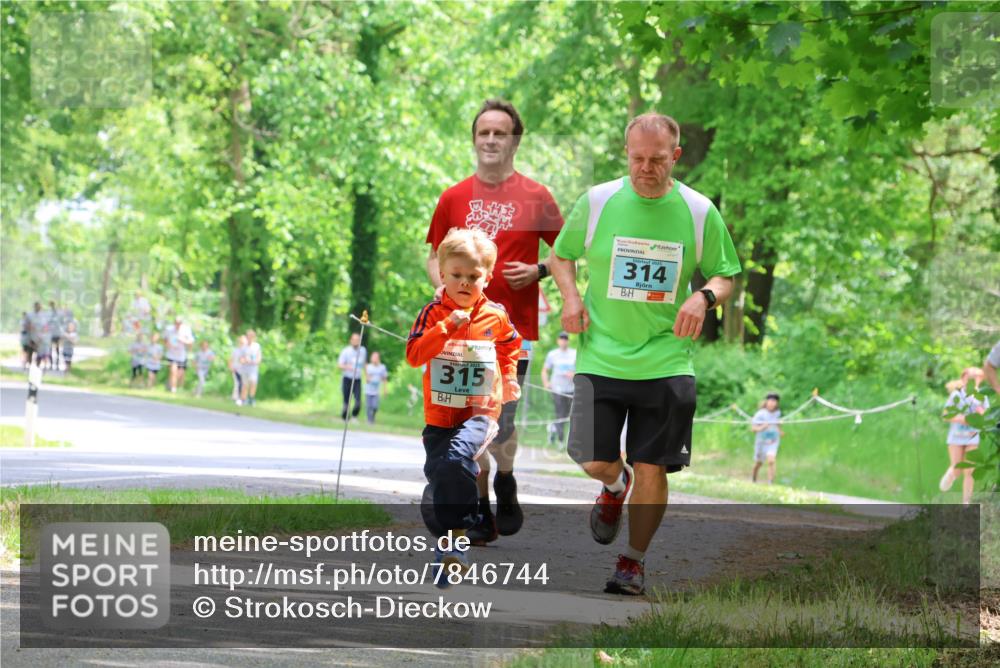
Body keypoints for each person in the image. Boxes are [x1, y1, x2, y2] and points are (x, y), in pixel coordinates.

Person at [550, 113, 741, 595]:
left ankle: (632, 561)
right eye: (637, 158)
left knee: (654, 465)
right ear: (626, 153)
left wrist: (704, 297)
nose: (646, 168)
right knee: (591, 458)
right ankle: (615, 487)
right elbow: (560, 255)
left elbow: (725, 276)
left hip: (667, 360)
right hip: (601, 356)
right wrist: (571, 298)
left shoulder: (699, 211)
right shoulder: (597, 202)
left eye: (657, 160)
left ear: (675, 156)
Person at [424, 98, 565, 544]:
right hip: (459, 333)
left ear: (514, 140)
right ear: (474, 139)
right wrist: (441, 289)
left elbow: (566, 254)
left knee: (499, 425)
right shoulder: (453, 197)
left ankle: (506, 476)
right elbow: (434, 257)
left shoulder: (536, 196)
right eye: (483, 132)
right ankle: (478, 509)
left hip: (512, 333)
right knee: (466, 421)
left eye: (499, 133)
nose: (490, 140)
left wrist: (539, 270)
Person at [406, 227, 522, 585]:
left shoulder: (495, 316)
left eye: (474, 276)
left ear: (487, 277)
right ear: (443, 275)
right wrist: (445, 327)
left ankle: (459, 536)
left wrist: (510, 377)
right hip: (440, 413)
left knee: (458, 460)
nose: (465, 283)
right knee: (440, 473)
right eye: (456, 275)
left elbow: (510, 345)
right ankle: (449, 545)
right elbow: (414, 356)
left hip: (481, 411)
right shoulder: (431, 313)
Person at [940, 367, 990, 505]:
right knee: (957, 469)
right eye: (971, 377)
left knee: (969, 471)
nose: (973, 380)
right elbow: (945, 415)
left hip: (972, 437)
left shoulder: (982, 397)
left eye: (977, 378)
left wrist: (981, 414)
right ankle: (951, 474)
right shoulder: (956, 396)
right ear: (963, 379)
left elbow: (984, 415)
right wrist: (963, 418)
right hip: (956, 437)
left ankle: (966, 503)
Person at [542, 332, 576, 444]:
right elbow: (545, 370)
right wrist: (546, 383)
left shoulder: (574, 354)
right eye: (561, 339)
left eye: (565, 339)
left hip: (571, 389)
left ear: (568, 341)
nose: (563, 341)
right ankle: (561, 440)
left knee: (567, 415)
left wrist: (574, 374)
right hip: (557, 388)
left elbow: (580, 370)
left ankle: (552, 427)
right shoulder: (553, 354)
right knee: (561, 413)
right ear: (558, 341)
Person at [751, 393, 784, 484]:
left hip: (773, 441)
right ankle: (754, 479)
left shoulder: (777, 413)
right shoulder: (760, 414)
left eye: (774, 401)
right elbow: (753, 429)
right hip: (761, 442)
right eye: (770, 401)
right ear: (766, 402)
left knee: (771, 461)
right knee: (759, 463)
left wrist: (780, 429)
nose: (772, 403)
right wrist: (762, 427)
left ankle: (770, 483)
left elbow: (776, 424)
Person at [338, 332, 367, 421]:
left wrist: (367, 375)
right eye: (354, 340)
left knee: (358, 401)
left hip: (357, 379)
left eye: (357, 340)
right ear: (351, 340)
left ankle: (354, 416)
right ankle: (345, 417)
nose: (356, 341)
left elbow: (364, 364)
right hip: (347, 378)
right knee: (346, 401)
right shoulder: (346, 351)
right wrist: (348, 367)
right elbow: (339, 365)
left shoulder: (363, 350)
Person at [163, 316, 194, 393]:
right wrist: (167, 345)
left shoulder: (186, 329)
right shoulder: (169, 329)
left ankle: (170, 384)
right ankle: (173, 389)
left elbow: (190, 342)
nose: (177, 324)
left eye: (179, 323)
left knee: (180, 373)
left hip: (182, 356)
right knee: (173, 371)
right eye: (176, 323)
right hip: (171, 354)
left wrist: (183, 340)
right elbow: (165, 340)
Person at [364, 352, 389, 424]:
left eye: (375, 357)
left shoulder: (382, 367)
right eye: (372, 357)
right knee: (368, 406)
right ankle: (369, 420)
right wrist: (368, 378)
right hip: (368, 390)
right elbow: (367, 378)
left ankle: (372, 417)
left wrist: (385, 389)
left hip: (376, 391)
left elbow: (384, 379)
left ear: (378, 358)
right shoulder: (368, 367)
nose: (373, 359)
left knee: (375, 407)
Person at [240, 329, 262, 406]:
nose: (250, 338)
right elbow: (241, 358)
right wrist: (245, 360)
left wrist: (254, 361)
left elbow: (259, 358)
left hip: (253, 369)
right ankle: (243, 399)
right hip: (245, 368)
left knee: (253, 382)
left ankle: (251, 398)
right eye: (248, 336)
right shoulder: (243, 347)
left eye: (251, 336)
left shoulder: (257, 346)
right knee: (245, 384)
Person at [229, 335, 247, 404]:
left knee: (243, 384)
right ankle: (236, 397)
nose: (242, 344)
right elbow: (231, 359)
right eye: (241, 342)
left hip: (243, 370)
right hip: (236, 369)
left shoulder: (246, 350)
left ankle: (241, 397)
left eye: (243, 342)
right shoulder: (235, 350)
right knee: (237, 383)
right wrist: (231, 367)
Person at [48, 301, 63, 370]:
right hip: (50, 334)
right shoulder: (48, 313)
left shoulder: (59, 313)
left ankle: (57, 365)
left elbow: (62, 323)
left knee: (57, 350)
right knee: (50, 349)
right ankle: (51, 364)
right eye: (51, 305)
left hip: (57, 333)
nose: (52, 306)